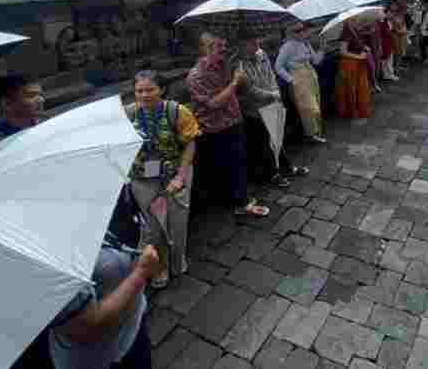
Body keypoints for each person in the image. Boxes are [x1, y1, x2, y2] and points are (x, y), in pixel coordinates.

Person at [124, 70, 199, 289]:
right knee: (153, 227)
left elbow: (190, 144)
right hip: (142, 179)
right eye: (139, 90)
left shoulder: (177, 111)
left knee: (177, 222)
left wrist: (180, 176)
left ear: (162, 89)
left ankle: (177, 261)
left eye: (150, 89)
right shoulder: (128, 114)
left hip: (174, 174)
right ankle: (160, 267)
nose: (144, 95)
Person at [186, 33, 269, 217]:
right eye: (218, 46)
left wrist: (243, 80)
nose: (223, 49)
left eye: (224, 45)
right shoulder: (196, 76)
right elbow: (214, 103)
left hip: (234, 120)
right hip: (215, 128)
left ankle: (239, 198)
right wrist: (234, 83)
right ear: (205, 49)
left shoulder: (225, 66)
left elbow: (240, 88)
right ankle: (238, 202)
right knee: (225, 166)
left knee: (238, 162)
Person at [48, 245, 160, 369]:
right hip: (103, 357)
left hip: (131, 327)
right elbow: (89, 326)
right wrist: (140, 273)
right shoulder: (51, 264)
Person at [231, 37, 309, 189]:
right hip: (254, 109)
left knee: (277, 137)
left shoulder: (261, 54)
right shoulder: (237, 64)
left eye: (256, 41)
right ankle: (272, 174)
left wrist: (275, 92)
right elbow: (249, 90)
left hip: (272, 102)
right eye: (252, 42)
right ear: (241, 45)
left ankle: (287, 167)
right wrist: (272, 95)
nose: (256, 45)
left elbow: (271, 75)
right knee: (264, 143)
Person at [275, 24, 327, 143]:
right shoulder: (287, 47)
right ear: (292, 33)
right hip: (298, 78)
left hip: (310, 76)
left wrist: (322, 49)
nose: (302, 33)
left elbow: (316, 61)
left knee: (316, 101)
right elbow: (278, 66)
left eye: (303, 30)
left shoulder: (306, 44)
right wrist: (291, 80)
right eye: (298, 31)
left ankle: (315, 131)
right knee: (307, 107)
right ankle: (310, 134)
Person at [335, 22, 372, 119]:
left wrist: (364, 48)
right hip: (349, 64)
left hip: (358, 64)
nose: (358, 19)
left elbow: (358, 44)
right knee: (351, 88)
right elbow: (342, 52)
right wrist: (358, 57)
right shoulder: (345, 32)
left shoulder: (355, 30)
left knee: (360, 87)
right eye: (355, 18)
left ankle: (359, 109)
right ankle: (351, 111)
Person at [388, 2, 409, 72]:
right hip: (395, 36)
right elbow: (391, 28)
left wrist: (404, 30)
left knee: (400, 51)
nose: (395, 6)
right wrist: (400, 31)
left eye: (396, 5)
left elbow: (403, 24)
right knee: (395, 52)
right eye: (393, 5)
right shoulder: (390, 15)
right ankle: (394, 67)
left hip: (402, 36)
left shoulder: (400, 15)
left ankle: (398, 66)